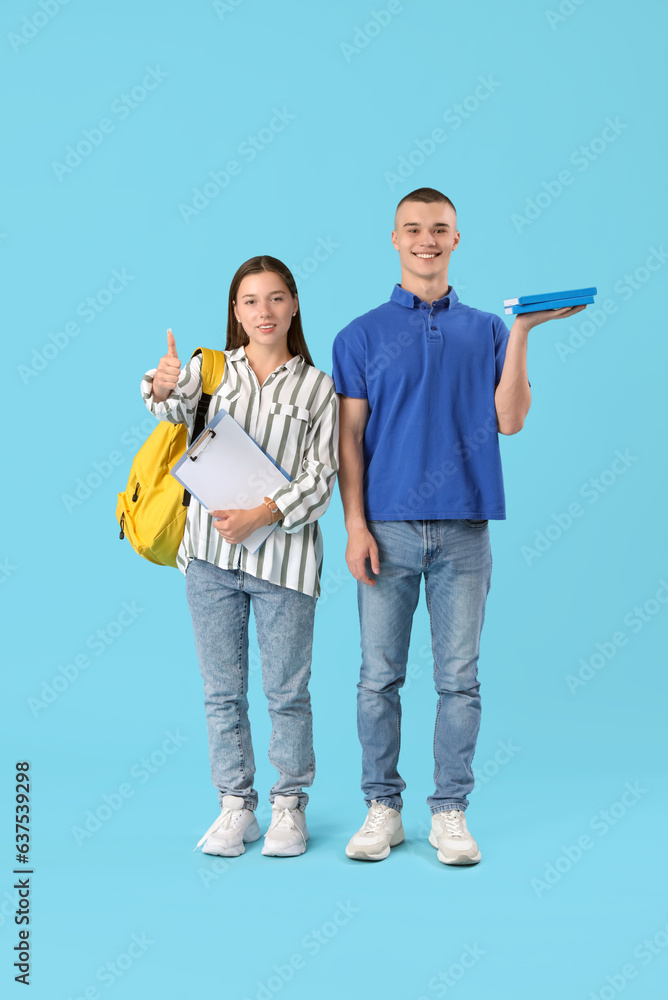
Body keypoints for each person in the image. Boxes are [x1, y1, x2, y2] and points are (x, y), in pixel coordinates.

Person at [332, 187, 587, 865]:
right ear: (394, 239)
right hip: (385, 528)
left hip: (465, 531)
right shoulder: (358, 335)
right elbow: (348, 440)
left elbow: (511, 420)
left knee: (459, 681)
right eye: (413, 229)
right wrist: (354, 525)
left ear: (456, 239)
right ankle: (381, 807)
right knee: (377, 678)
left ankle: (450, 813)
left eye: (439, 229)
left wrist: (525, 333)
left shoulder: (488, 329)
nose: (426, 239)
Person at [141, 255, 339, 858]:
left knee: (287, 692)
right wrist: (165, 382)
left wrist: (265, 511)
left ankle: (288, 807)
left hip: (285, 564)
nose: (264, 312)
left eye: (276, 299)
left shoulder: (318, 387)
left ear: (294, 305)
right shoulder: (214, 371)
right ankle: (235, 807)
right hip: (209, 558)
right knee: (221, 691)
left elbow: (322, 476)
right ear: (236, 311)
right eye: (251, 301)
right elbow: (169, 408)